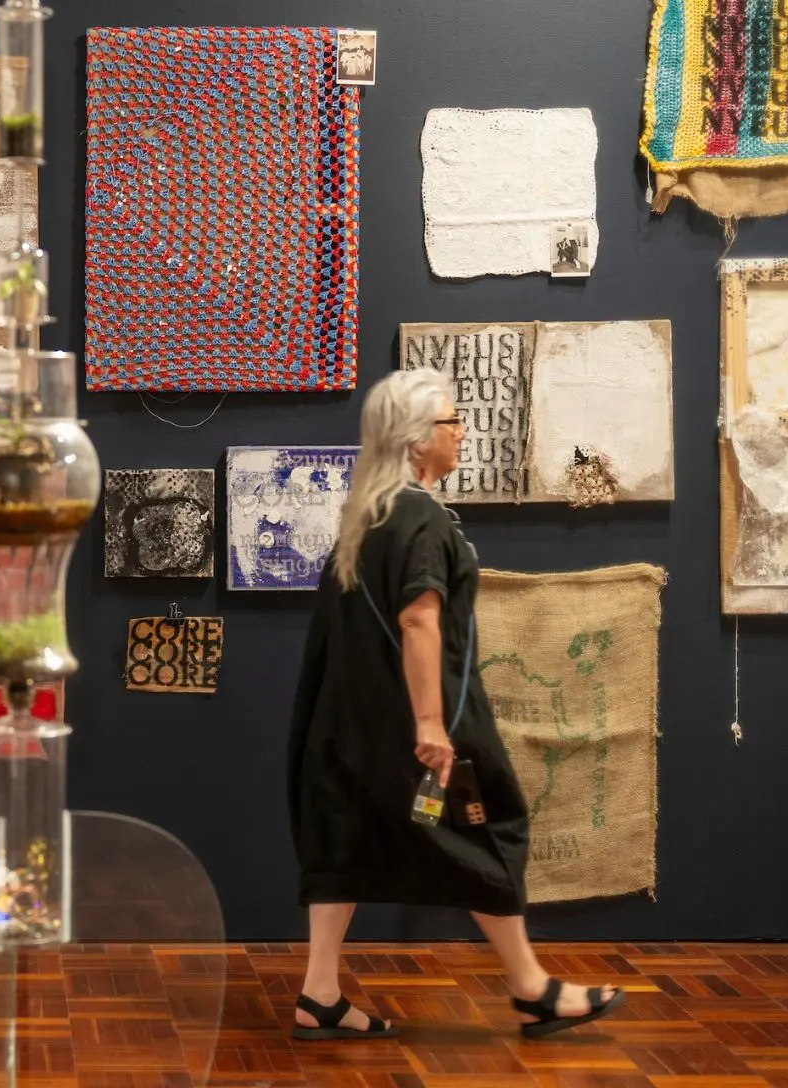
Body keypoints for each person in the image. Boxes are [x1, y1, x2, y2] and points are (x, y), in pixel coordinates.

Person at [286, 369, 624, 1041]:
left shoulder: (368, 516)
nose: (461, 431)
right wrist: (433, 724)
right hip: (421, 725)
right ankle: (531, 989)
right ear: (416, 439)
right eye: (451, 421)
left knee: (343, 842)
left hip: (349, 728)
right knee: (486, 828)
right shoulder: (417, 516)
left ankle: (318, 995)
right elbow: (419, 621)